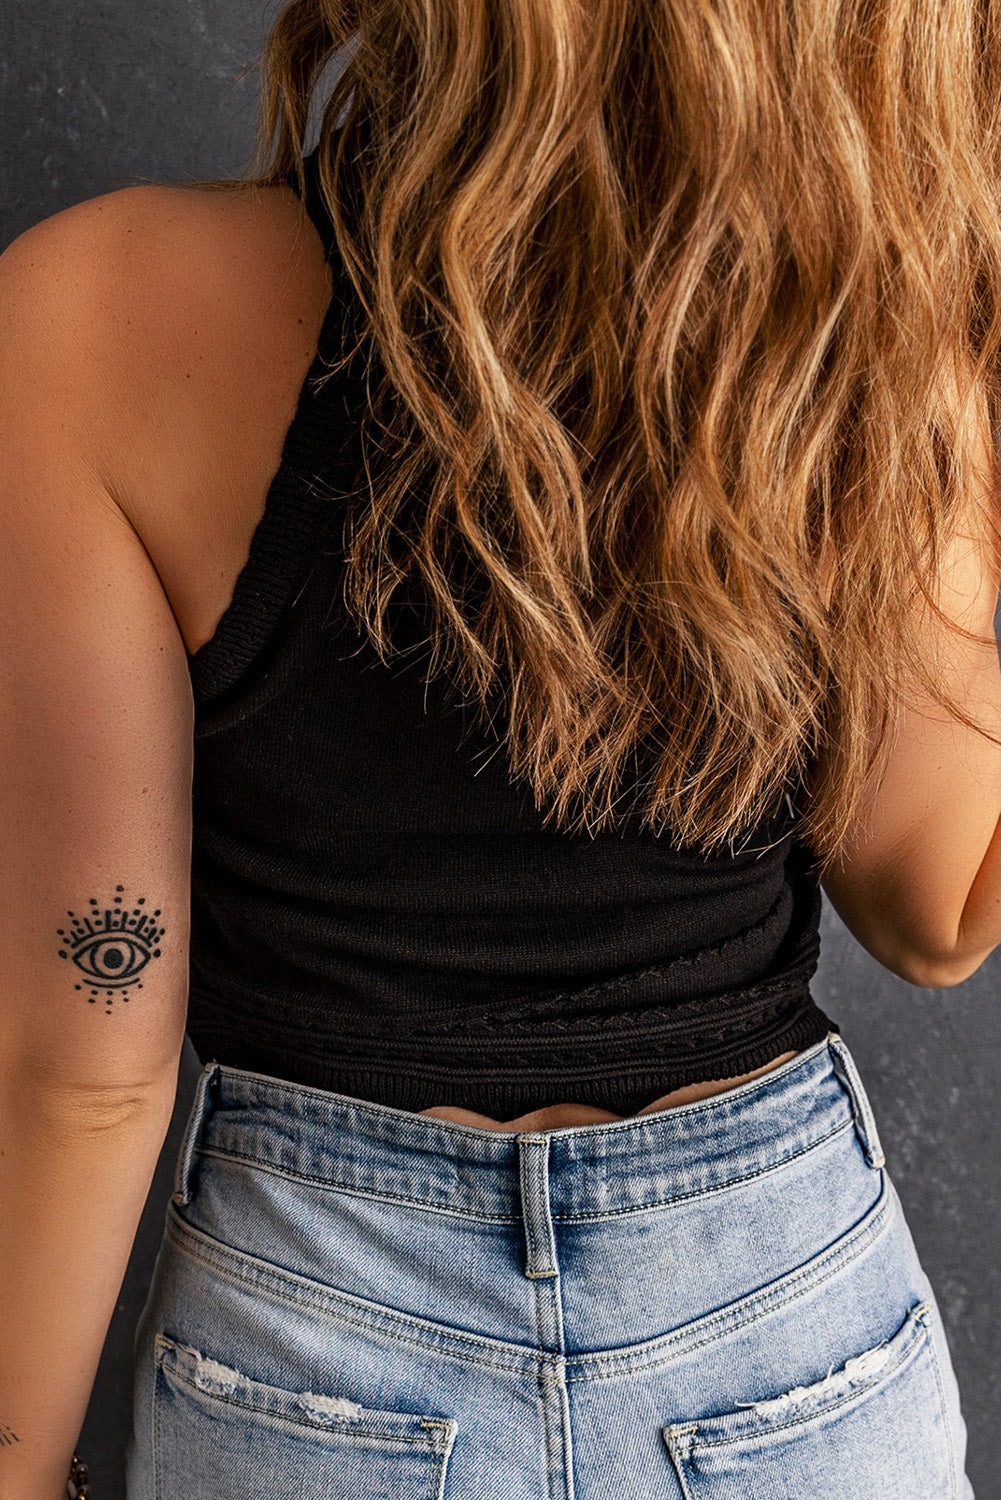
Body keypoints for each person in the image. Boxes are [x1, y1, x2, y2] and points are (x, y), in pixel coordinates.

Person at [2, 0, 999, 1494]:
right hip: (788, 1347)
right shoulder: (865, 333)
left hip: (313, 1352)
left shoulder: (94, 315)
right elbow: (936, 908)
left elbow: (88, 1065)